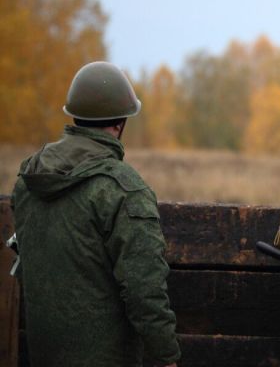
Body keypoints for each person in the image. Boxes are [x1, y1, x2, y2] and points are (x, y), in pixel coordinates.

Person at [11, 61, 181, 366]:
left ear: (75, 116)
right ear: (119, 124)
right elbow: (145, 289)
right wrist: (167, 356)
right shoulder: (123, 189)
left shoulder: (28, 181)